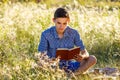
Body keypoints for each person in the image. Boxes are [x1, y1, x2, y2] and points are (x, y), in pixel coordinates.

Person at [38, 7, 97, 75]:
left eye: (64, 23)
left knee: (92, 59)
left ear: (68, 21)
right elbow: (41, 55)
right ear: (53, 20)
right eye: (59, 23)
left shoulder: (74, 33)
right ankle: (71, 74)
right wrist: (52, 60)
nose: (61, 26)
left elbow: (85, 52)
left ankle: (73, 75)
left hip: (70, 65)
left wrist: (82, 56)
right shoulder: (46, 34)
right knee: (40, 64)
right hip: (53, 65)